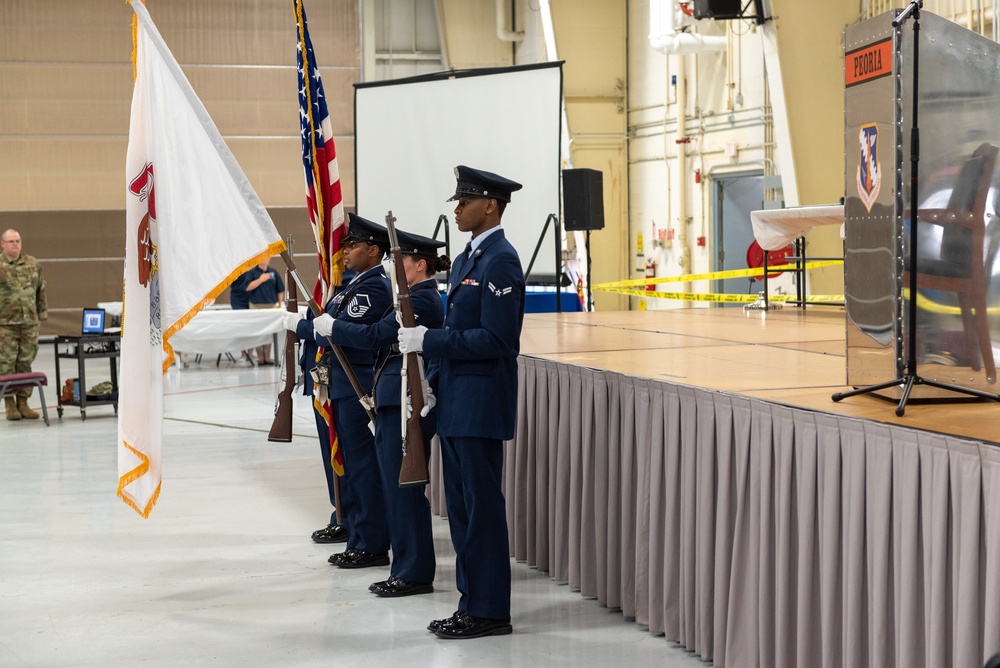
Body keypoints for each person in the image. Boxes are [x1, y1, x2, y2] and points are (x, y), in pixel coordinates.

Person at [397, 166, 525, 638]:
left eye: (465, 200)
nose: (457, 208)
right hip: (457, 400)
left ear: (490, 205)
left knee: (481, 511)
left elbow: (497, 339)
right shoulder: (474, 258)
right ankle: (472, 603)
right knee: (465, 512)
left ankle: (490, 610)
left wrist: (430, 341)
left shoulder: (501, 261)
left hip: (480, 402)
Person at [313, 228, 448, 597]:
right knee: (394, 484)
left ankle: (414, 571)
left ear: (419, 265)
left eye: (400, 259)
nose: (393, 264)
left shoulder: (421, 300)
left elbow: (377, 334)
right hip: (390, 395)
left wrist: (335, 328)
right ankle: (405, 567)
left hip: (405, 399)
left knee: (404, 487)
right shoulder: (407, 296)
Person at [285, 214, 391, 568]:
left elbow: (338, 330)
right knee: (350, 463)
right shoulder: (351, 285)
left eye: (353, 246)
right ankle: (357, 532)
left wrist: (300, 326)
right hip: (338, 384)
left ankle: (371, 541)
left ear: (373, 251)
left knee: (362, 466)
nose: (344, 253)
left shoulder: (374, 286)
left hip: (355, 383)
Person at [0, 229, 47, 421]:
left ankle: (24, 402)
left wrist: (41, 315)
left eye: (17, 241)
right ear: (2, 244)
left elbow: (40, 290)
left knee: (25, 363)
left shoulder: (33, 264)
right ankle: (9, 403)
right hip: (5, 324)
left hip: (29, 322)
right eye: (10, 241)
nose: (14, 244)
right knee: (6, 363)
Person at [245, 259, 285, 365]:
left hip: (271, 305)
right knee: (258, 331)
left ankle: (267, 357)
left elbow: (280, 289)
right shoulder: (252, 273)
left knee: (269, 331)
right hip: (256, 305)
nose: (264, 260)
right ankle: (260, 358)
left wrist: (280, 304)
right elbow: (248, 287)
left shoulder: (273, 272)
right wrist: (261, 280)